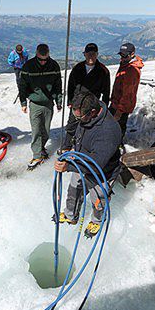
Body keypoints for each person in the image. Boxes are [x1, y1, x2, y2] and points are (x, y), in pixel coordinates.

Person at [54, 88, 122, 238]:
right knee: (74, 189)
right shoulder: (87, 117)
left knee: (98, 199)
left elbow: (97, 164)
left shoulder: (107, 131)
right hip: (82, 162)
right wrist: (70, 149)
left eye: (80, 118)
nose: (78, 120)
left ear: (92, 112)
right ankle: (70, 215)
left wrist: (69, 166)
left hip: (102, 172)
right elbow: (78, 133)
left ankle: (97, 221)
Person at [19, 44, 62, 169]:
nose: (43, 62)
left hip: (48, 103)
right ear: (36, 55)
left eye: (45, 59)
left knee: (46, 130)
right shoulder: (28, 66)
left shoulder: (54, 66)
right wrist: (23, 103)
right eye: (40, 59)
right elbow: (22, 86)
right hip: (35, 103)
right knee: (36, 130)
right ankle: (37, 155)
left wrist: (59, 101)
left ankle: (41, 148)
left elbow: (58, 85)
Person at [62, 43, 110, 151]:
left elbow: (106, 91)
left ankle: (84, 148)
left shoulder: (103, 71)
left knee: (89, 125)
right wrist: (70, 101)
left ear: (97, 54)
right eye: (88, 54)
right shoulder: (77, 68)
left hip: (92, 104)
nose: (91, 56)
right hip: (77, 102)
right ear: (84, 54)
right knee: (72, 124)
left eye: (93, 54)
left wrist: (105, 106)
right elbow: (70, 86)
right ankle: (67, 146)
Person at [109, 42, 144, 137]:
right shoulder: (125, 64)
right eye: (121, 55)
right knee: (114, 127)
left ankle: (116, 147)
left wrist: (119, 111)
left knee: (116, 129)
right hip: (116, 103)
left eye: (124, 55)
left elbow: (128, 94)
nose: (122, 58)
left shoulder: (131, 70)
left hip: (121, 106)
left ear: (132, 54)